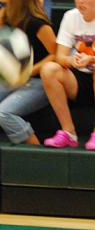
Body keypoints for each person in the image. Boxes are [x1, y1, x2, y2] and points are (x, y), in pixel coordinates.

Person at [0, 0, 56, 144]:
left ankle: (36, 153)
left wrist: (31, 70)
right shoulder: (6, 18)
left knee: (4, 112)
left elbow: (55, 54)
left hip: (40, 81)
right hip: (14, 79)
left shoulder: (38, 24)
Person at [41, 0, 95, 149]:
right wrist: (72, 60)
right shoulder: (71, 17)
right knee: (49, 69)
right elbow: (60, 57)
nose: (80, 2)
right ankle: (68, 133)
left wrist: (90, 59)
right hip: (79, 82)